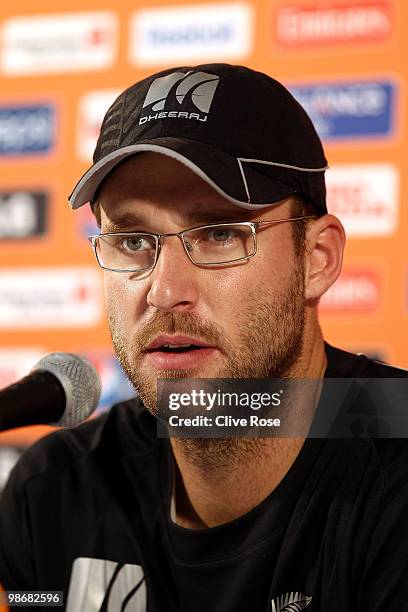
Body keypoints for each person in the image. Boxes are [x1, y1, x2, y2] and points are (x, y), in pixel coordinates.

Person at [1, 63, 408, 612]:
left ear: (317, 259)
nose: (165, 290)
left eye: (219, 233)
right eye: (132, 239)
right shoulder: (55, 493)